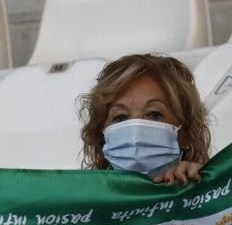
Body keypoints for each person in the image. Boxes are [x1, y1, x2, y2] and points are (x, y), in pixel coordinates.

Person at [79, 53, 211, 186]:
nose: (136, 133)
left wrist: (202, 187)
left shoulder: (210, 196)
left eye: (154, 114)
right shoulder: (85, 202)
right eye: (121, 117)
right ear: (101, 136)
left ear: (186, 133)